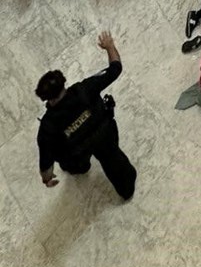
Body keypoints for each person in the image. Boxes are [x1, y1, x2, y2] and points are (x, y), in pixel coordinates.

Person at [36, 30, 135, 199]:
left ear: (45, 97)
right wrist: (110, 46)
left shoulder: (48, 127)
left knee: (73, 164)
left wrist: (47, 178)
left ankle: (81, 168)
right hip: (104, 135)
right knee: (115, 163)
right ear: (63, 83)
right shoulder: (85, 89)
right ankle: (126, 190)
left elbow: (46, 161)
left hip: (75, 152)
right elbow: (115, 68)